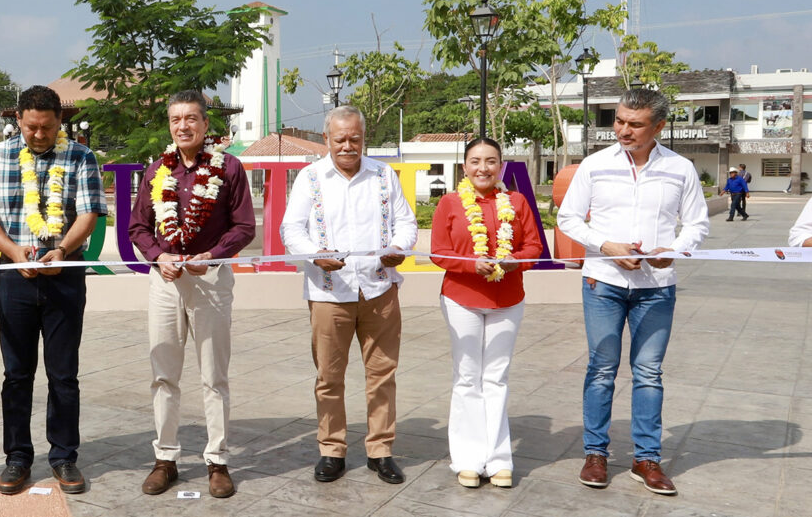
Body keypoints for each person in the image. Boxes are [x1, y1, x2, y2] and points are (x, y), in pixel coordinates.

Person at [558, 87, 709, 496]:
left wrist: (674, 251)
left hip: (656, 288)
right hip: (603, 282)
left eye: (634, 124)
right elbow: (568, 218)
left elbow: (697, 224)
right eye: (619, 121)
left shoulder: (680, 169)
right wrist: (606, 246)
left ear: (658, 126)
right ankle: (595, 454)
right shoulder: (594, 165)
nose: (623, 130)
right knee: (601, 368)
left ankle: (646, 459)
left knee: (648, 373)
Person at [0, 85, 108, 495]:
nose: (39, 135)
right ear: (19, 121)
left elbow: (89, 213)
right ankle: (17, 457)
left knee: (64, 374)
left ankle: (64, 456)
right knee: (16, 373)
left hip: (64, 274)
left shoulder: (81, 156)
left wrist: (62, 249)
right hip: (15, 275)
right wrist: (14, 252)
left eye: (47, 127)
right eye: (31, 127)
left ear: (59, 121)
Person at [280, 105, 418, 485]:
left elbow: (406, 222)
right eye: (339, 138)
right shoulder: (310, 178)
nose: (347, 145)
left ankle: (381, 450)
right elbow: (291, 228)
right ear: (326, 139)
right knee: (329, 376)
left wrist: (399, 249)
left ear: (363, 139)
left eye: (354, 138)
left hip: (379, 289)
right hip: (329, 293)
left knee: (382, 375)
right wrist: (314, 255)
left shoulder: (383, 175)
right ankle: (332, 449)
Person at [128, 90, 256, 499]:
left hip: (211, 279)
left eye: (191, 119)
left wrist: (214, 255)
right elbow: (138, 228)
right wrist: (157, 256)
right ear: (170, 126)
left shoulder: (229, 168)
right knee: (163, 373)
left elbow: (244, 226)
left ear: (205, 124)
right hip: (165, 281)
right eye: (175, 120)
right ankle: (165, 459)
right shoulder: (155, 171)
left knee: (213, 376)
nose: (183, 126)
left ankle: (217, 462)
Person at [428, 137, 543, 489]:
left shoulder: (518, 202)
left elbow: (534, 247)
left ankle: (497, 460)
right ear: (465, 166)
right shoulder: (449, 203)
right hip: (462, 297)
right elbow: (438, 252)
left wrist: (515, 261)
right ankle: (466, 459)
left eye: (491, 161)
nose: (483, 168)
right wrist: (469, 265)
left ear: (501, 165)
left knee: (496, 378)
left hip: (507, 299)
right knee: (467, 378)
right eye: (476, 161)